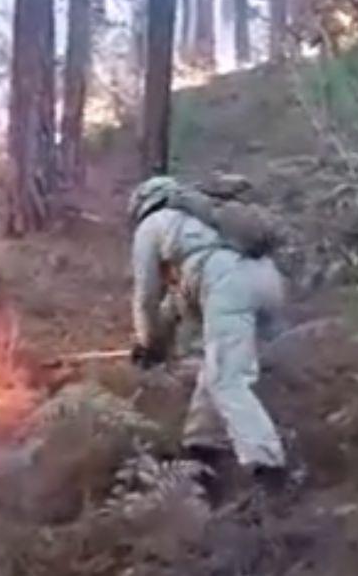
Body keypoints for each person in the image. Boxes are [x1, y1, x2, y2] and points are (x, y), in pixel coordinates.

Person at [127, 176, 288, 494]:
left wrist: (147, 344)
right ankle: (202, 450)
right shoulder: (203, 220)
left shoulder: (154, 224)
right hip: (268, 281)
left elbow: (146, 296)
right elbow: (176, 301)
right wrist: (160, 340)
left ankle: (268, 467)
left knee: (227, 379)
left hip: (230, 285)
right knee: (216, 368)